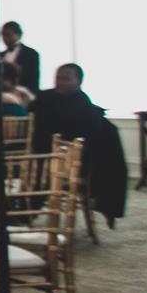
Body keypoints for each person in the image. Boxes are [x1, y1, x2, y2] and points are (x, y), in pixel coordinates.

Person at [30, 63, 127, 226]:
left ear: (79, 81)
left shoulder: (83, 105)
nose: (60, 82)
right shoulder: (45, 97)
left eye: (66, 78)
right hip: (42, 151)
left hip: (72, 160)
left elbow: (90, 136)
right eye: (58, 77)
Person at [0, 21, 41, 96]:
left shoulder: (31, 53)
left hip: (24, 94)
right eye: (2, 35)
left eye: (7, 34)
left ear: (19, 34)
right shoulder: (0, 55)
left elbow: (33, 77)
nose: (4, 38)